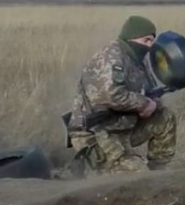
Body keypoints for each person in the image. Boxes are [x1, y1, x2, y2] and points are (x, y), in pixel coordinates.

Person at [65, 15, 176, 176]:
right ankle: (88, 169)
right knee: (138, 177)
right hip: (97, 133)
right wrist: (144, 104)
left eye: (152, 41)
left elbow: (150, 91)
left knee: (165, 117)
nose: (150, 46)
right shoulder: (111, 57)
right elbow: (112, 96)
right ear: (132, 37)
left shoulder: (138, 60)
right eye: (146, 40)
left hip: (123, 127)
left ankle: (158, 172)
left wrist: (153, 103)